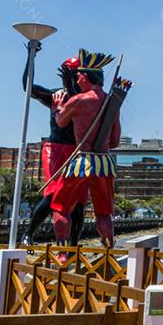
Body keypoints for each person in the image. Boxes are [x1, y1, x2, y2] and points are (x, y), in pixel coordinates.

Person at [53, 49, 122, 252]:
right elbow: (115, 140)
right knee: (104, 212)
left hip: (81, 161)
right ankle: (108, 249)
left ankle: (63, 253)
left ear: (85, 76)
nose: (76, 79)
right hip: (105, 163)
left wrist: (58, 106)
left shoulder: (78, 100)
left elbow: (61, 121)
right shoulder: (112, 101)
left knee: (61, 206)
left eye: (79, 75)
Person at [21, 51, 86, 245]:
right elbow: (28, 87)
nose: (75, 79)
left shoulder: (86, 98)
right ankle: (28, 233)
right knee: (52, 193)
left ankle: (74, 245)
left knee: (79, 201)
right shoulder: (55, 95)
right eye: (72, 74)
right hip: (56, 149)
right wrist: (31, 56)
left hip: (78, 151)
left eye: (77, 75)